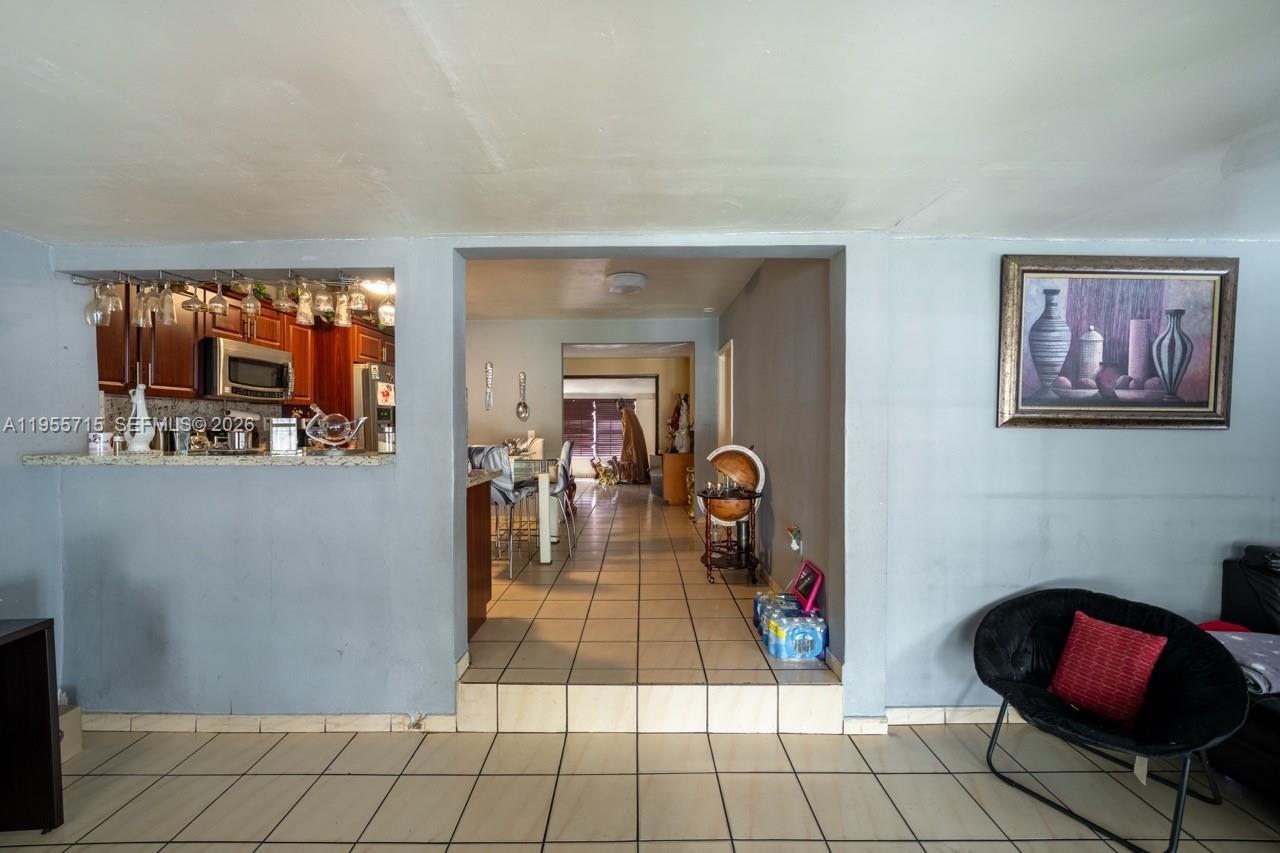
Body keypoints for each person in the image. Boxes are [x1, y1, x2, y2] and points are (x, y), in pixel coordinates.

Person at [616, 398, 650, 483]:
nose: (616, 406)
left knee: (628, 457)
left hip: (632, 439)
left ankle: (633, 476)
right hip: (636, 439)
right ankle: (636, 476)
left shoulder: (626, 412)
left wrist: (626, 442)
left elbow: (629, 428)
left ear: (619, 405)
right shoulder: (630, 411)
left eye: (617, 404)